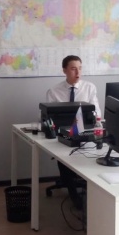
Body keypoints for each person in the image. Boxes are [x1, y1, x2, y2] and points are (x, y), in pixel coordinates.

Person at [46, 55, 100, 211]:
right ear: (64, 70)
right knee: (64, 158)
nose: (78, 73)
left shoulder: (89, 88)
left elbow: (97, 114)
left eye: (80, 68)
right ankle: (75, 198)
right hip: (62, 135)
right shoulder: (53, 91)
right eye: (73, 69)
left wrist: (93, 120)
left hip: (85, 133)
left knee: (92, 158)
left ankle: (91, 194)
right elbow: (47, 119)